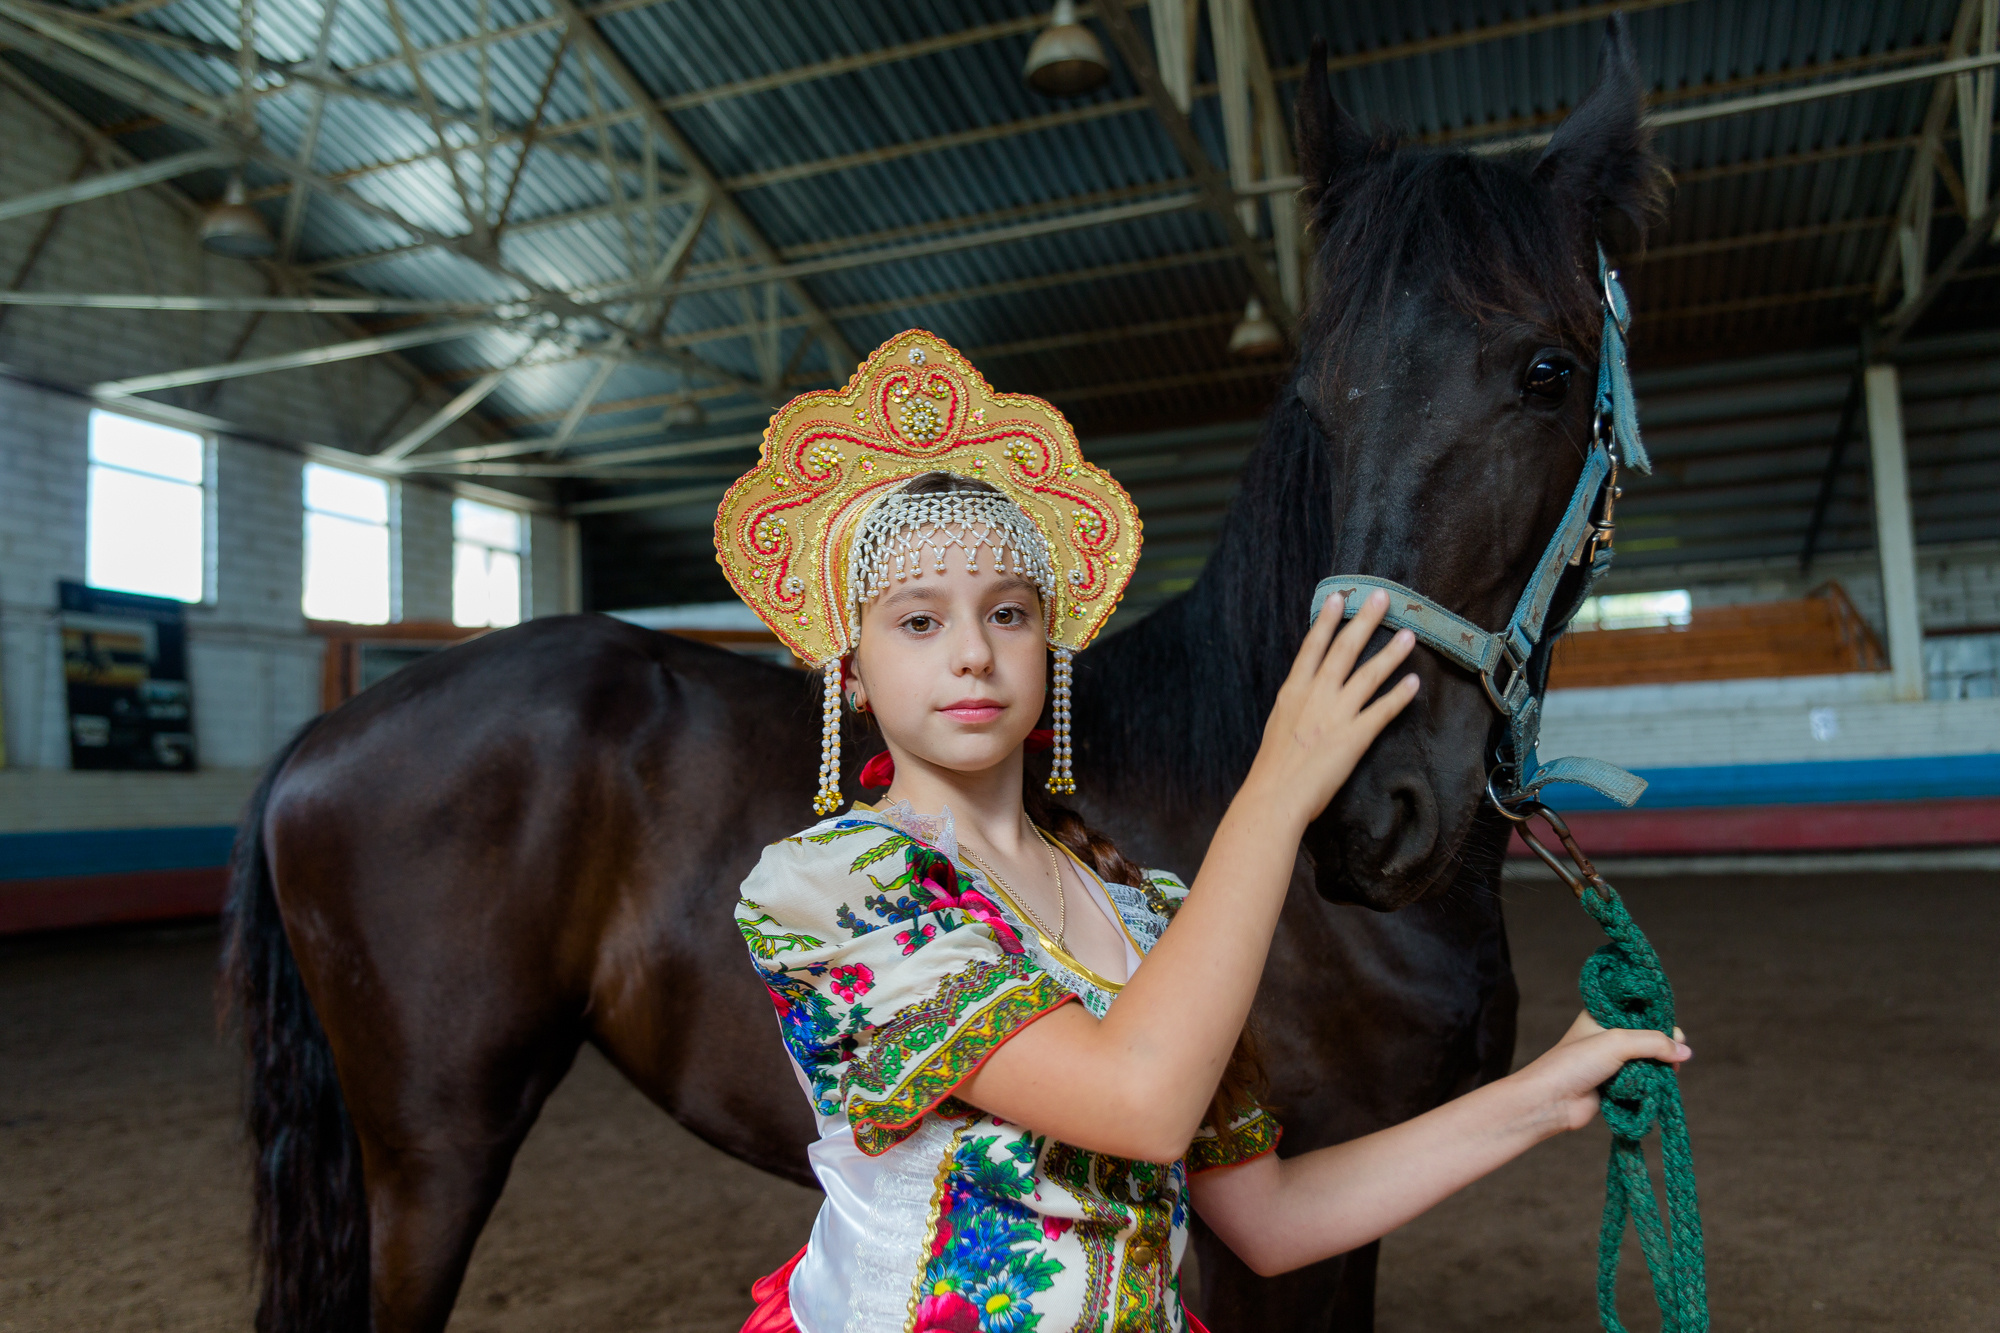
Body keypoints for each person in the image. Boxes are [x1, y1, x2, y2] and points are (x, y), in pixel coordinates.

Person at [716, 331, 1690, 1333]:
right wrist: (1278, 787)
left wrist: (1546, 1092)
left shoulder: (1145, 908)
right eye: (918, 621)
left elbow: (1272, 1220)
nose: (972, 652)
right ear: (850, 672)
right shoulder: (837, 887)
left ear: (1049, 646)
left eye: (1007, 613)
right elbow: (1138, 1103)